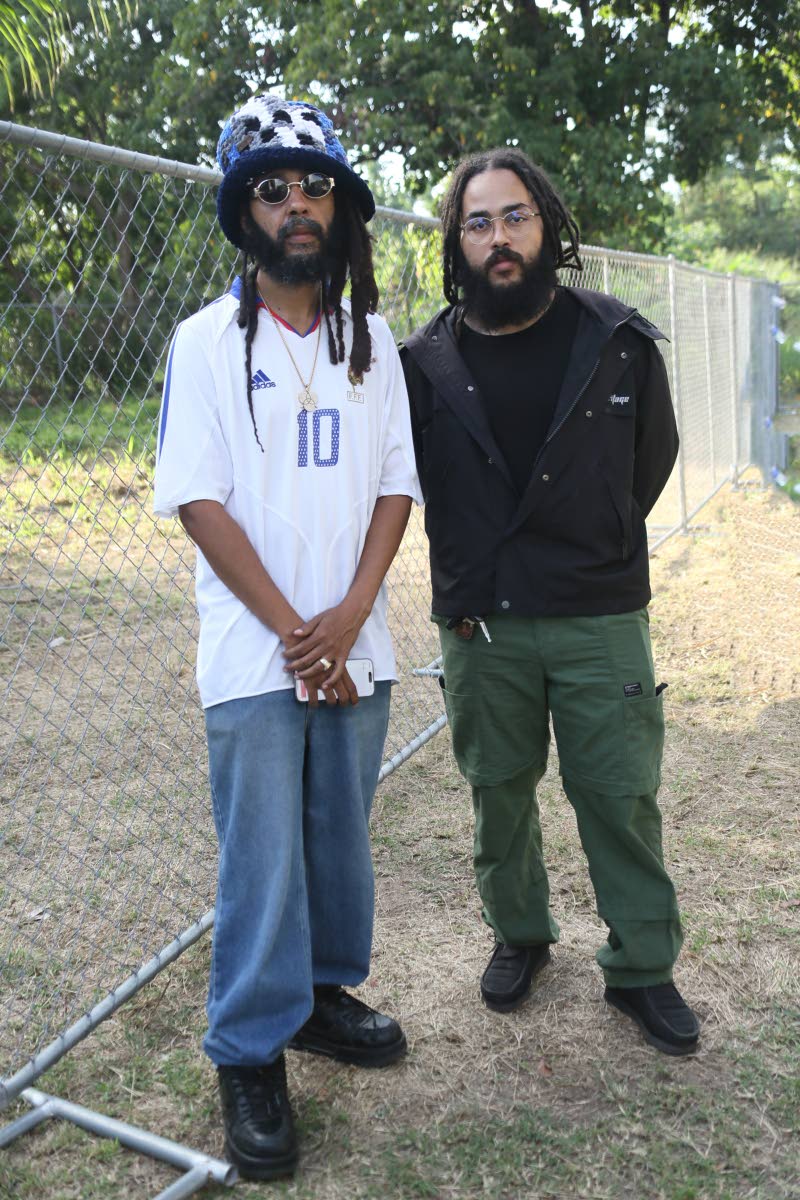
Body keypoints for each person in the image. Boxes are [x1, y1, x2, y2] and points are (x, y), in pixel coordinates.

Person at [153, 94, 421, 1179]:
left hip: (354, 641)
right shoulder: (207, 342)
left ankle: (316, 998)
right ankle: (248, 1050)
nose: (296, 204)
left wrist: (350, 616)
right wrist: (292, 632)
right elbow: (199, 500)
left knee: (335, 835)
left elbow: (396, 487)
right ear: (241, 211)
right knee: (260, 858)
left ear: (341, 207)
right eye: (271, 187)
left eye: (313, 185)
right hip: (254, 653)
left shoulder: (371, 339)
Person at [400, 148, 700, 1057]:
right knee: (498, 792)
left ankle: (643, 966)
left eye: (515, 216)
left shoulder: (617, 340)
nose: (499, 237)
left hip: (598, 613)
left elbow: (651, 463)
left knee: (618, 793)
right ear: (457, 240)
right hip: (480, 620)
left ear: (549, 226)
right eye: (479, 221)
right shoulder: (424, 361)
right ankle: (521, 934)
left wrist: (591, 544)